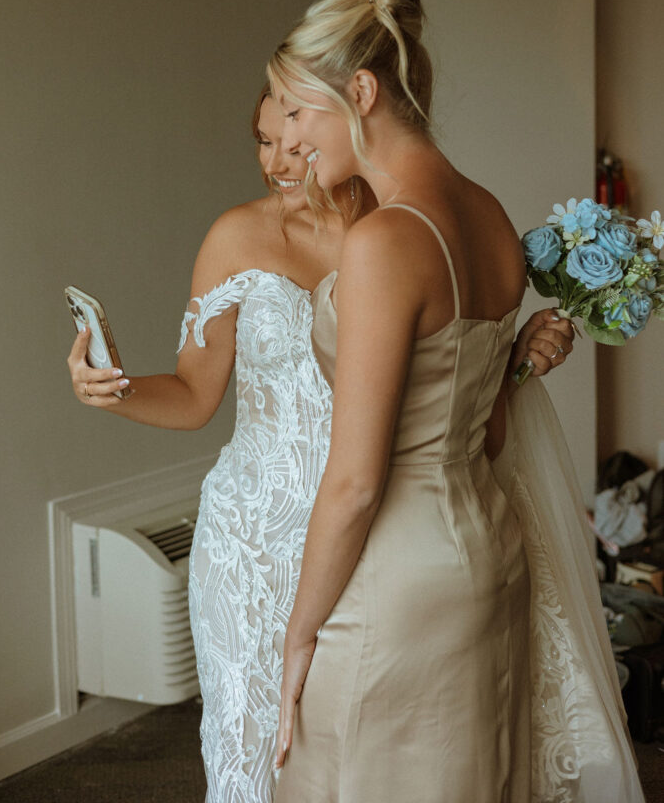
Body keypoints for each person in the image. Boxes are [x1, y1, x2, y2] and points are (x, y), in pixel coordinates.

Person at [67, 87, 576, 803]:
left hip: (367, 540)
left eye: (296, 142)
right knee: (248, 750)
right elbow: (193, 397)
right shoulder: (235, 236)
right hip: (252, 544)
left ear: (346, 127)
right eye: (262, 140)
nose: (277, 162)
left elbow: (455, 417)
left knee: (360, 758)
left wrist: (514, 362)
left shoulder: (409, 234)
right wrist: (111, 390)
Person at [269, 0, 644, 803]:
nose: (290, 138)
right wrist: (520, 364)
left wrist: (295, 636)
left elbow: (358, 484)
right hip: (484, 551)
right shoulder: (488, 219)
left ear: (360, 91)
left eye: (298, 110)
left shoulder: (385, 243)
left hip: (391, 578)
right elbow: (487, 433)